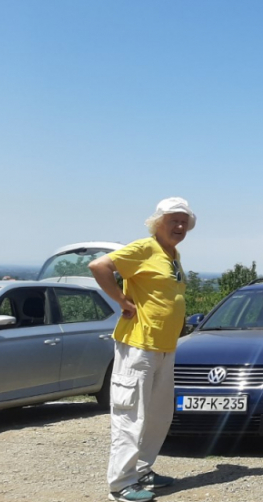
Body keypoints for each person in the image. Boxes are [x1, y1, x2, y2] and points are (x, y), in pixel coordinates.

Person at [89, 197, 196, 502]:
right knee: (131, 413)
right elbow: (100, 266)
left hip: (164, 346)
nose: (179, 227)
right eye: (173, 221)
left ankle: (142, 471)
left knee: (158, 415)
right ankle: (120, 484)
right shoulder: (145, 248)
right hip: (139, 345)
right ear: (157, 222)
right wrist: (122, 302)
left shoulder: (172, 254)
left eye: (183, 222)